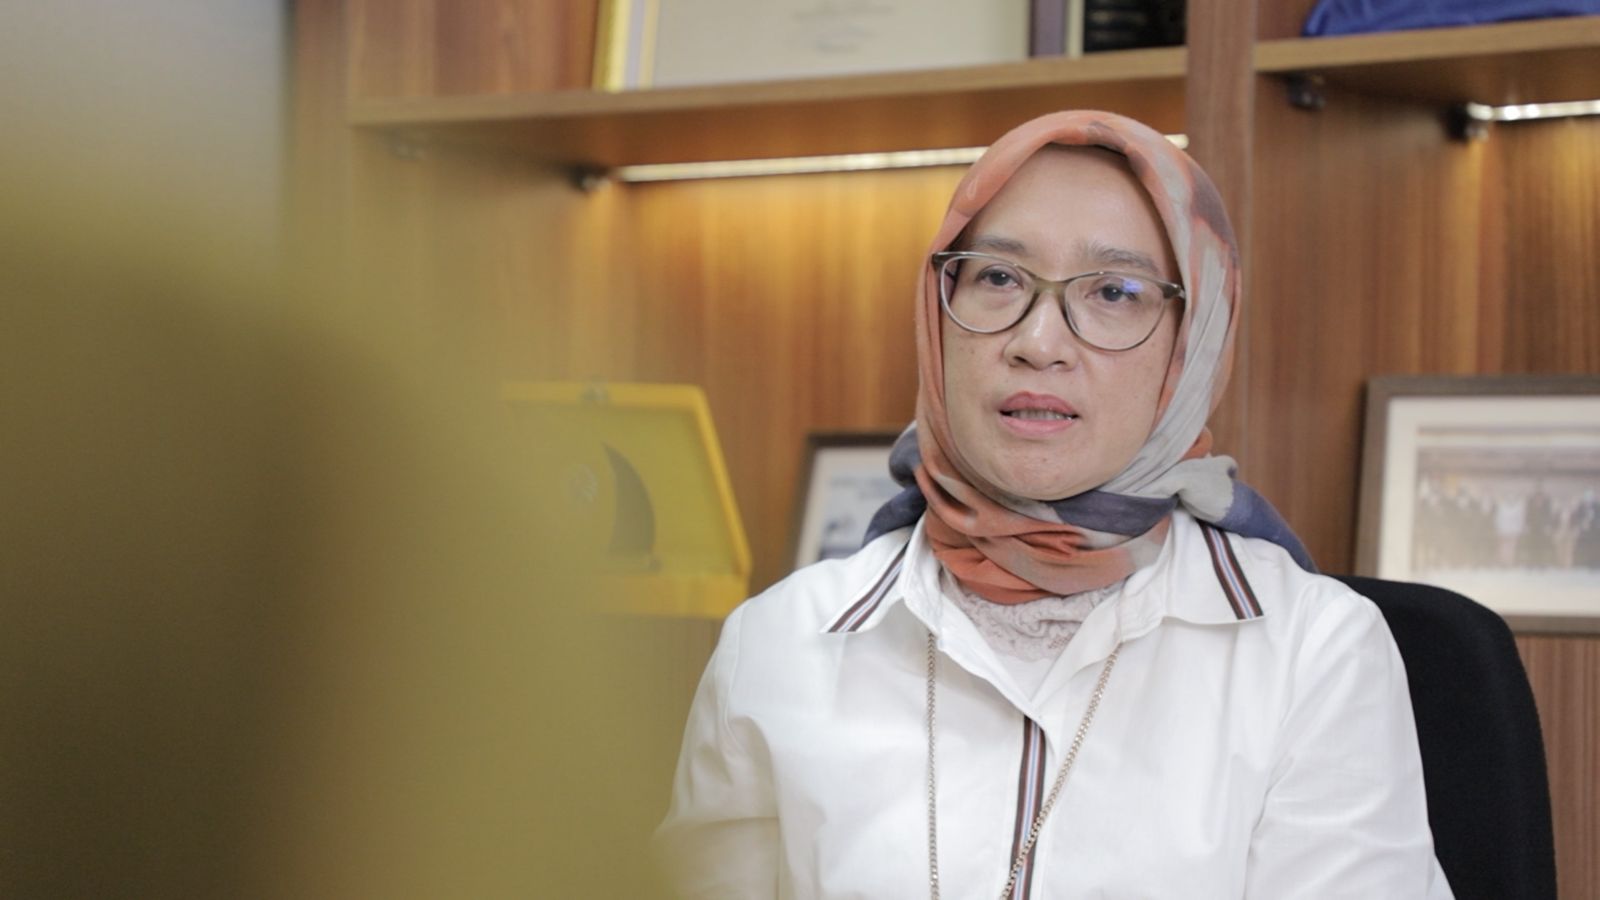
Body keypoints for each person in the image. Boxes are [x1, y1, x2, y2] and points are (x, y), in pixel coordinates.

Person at [655, 111, 1452, 898]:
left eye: (1114, 291)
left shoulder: (1313, 654)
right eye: (999, 278)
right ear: (939, 310)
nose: (1038, 342)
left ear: (1192, 342)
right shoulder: (778, 647)